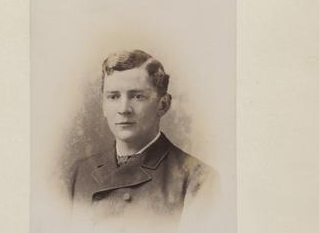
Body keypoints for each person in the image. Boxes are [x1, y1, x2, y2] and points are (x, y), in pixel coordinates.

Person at [69, 49, 217, 222]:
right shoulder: (79, 173)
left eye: (137, 97)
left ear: (163, 105)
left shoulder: (197, 179)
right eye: (113, 97)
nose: (123, 109)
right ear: (103, 105)